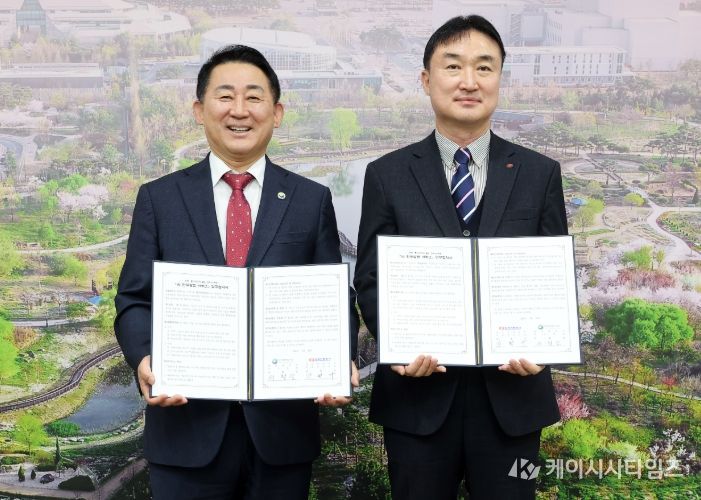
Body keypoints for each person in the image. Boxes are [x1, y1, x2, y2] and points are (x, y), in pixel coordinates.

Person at [115, 44, 358, 500]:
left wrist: (337, 358)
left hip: (282, 435)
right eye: (225, 96)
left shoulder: (310, 201)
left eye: (254, 97)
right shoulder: (160, 199)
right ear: (199, 110)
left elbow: (334, 299)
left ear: (277, 112)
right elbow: (134, 299)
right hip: (185, 432)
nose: (240, 111)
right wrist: (144, 358)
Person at [354, 15, 567, 499]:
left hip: (515, 403)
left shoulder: (540, 174)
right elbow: (370, 276)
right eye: (453, 66)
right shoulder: (387, 174)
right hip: (417, 402)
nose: (469, 81)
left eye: (484, 68)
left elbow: (551, 276)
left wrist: (543, 346)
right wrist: (398, 346)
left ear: (499, 80)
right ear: (426, 80)